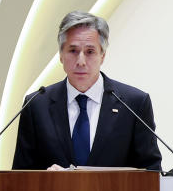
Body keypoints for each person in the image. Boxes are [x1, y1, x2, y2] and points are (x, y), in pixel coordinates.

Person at [12, 11, 162, 170]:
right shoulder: (36, 105)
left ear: (102, 55)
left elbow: (151, 173)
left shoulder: (134, 103)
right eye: (73, 51)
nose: (81, 61)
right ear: (61, 55)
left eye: (90, 52)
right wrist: (46, 180)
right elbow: (20, 176)